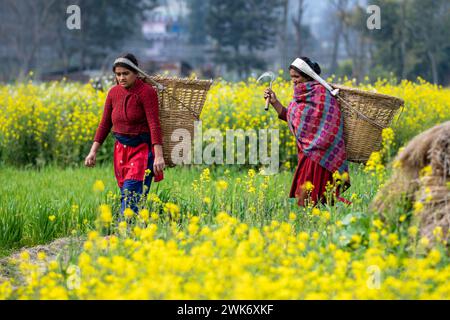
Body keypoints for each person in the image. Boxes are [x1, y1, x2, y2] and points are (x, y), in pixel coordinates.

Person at [85, 53, 165, 215]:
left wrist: (158, 156)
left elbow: (154, 125)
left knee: (131, 194)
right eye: (118, 74)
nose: (121, 77)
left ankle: (123, 231)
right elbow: (105, 124)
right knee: (127, 193)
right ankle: (137, 231)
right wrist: (93, 151)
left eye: (126, 74)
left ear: (136, 73)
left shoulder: (146, 92)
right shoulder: (113, 93)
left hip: (141, 151)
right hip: (121, 150)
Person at [264, 57, 351, 207]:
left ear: (307, 75)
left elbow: (328, 124)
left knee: (311, 198)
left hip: (321, 155)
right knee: (319, 199)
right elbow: (295, 118)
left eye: (297, 77)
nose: (294, 81)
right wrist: (275, 102)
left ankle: (344, 213)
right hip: (307, 153)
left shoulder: (322, 94)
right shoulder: (301, 95)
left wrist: (317, 141)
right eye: (292, 77)